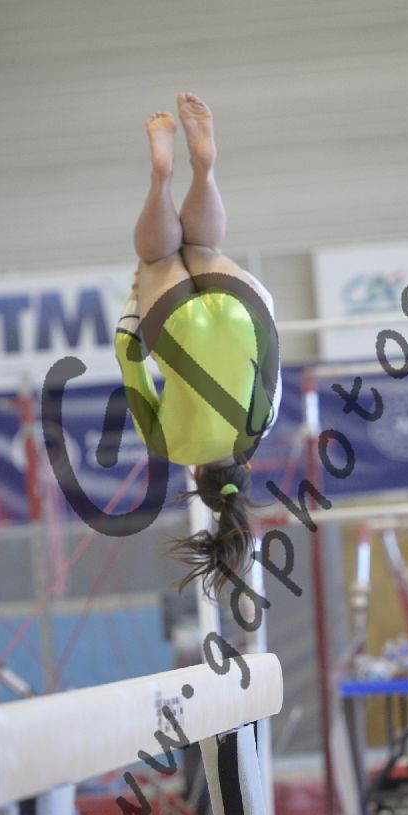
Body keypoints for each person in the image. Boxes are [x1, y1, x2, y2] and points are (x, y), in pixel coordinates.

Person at [114, 93, 282, 598]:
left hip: (244, 312)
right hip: (176, 326)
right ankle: (160, 178)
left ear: (247, 467)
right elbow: (128, 357)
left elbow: (271, 354)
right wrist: (135, 301)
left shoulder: (263, 425)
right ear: (194, 473)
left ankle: (204, 170)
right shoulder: (169, 447)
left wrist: (259, 307)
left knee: (202, 246)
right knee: (157, 255)